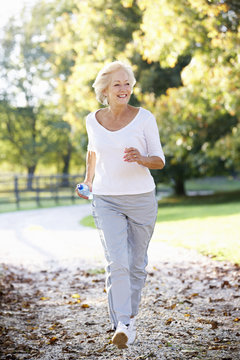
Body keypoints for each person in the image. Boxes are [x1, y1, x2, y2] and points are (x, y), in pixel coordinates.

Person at [76, 61, 165, 349]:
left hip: (141, 198)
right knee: (117, 262)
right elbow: (93, 152)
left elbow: (159, 160)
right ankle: (123, 323)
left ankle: (128, 317)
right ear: (105, 89)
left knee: (136, 264)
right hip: (105, 199)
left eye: (128, 83)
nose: (124, 88)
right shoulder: (92, 120)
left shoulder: (144, 118)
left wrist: (141, 157)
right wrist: (88, 182)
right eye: (117, 84)